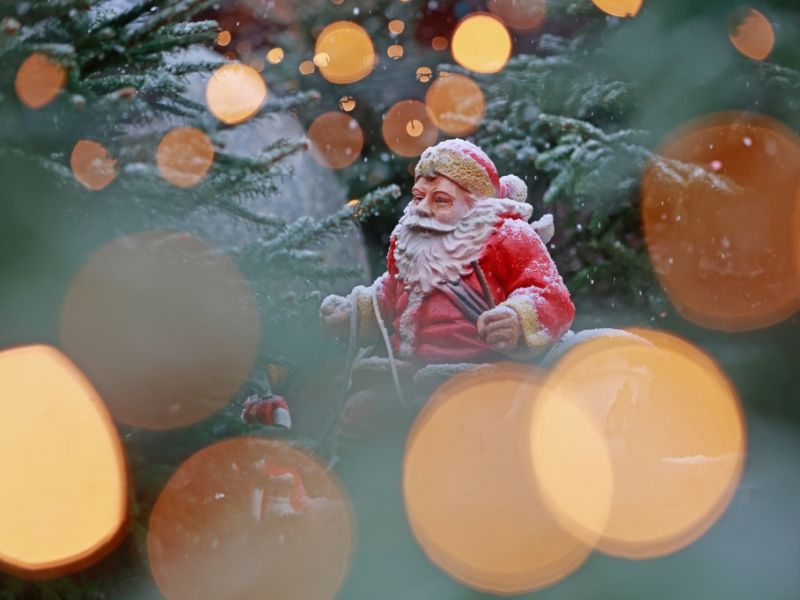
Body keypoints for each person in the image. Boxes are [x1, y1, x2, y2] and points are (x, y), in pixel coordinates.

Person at [320, 139, 575, 369]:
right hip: (407, 370)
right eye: (419, 197)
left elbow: (549, 292)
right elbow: (392, 292)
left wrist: (517, 319)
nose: (422, 209)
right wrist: (358, 313)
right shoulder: (411, 242)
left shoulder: (508, 236)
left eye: (441, 200)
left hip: (481, 374)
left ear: (475, 205)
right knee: (360, 408)